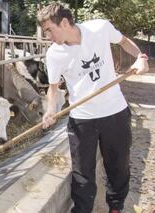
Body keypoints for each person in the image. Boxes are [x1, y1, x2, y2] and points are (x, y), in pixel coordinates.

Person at [37, 2, 149, 213]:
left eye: (49, 30)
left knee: (118, 166)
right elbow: (53, 88)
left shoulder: (99, 28)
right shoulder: (54, 54)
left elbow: (124, 41)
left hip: (114, 112)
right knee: (82, 175)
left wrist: (140, 57)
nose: (48, 36)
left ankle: (116, 207)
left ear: (64, 22)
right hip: (82, 120)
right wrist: (50, 110)